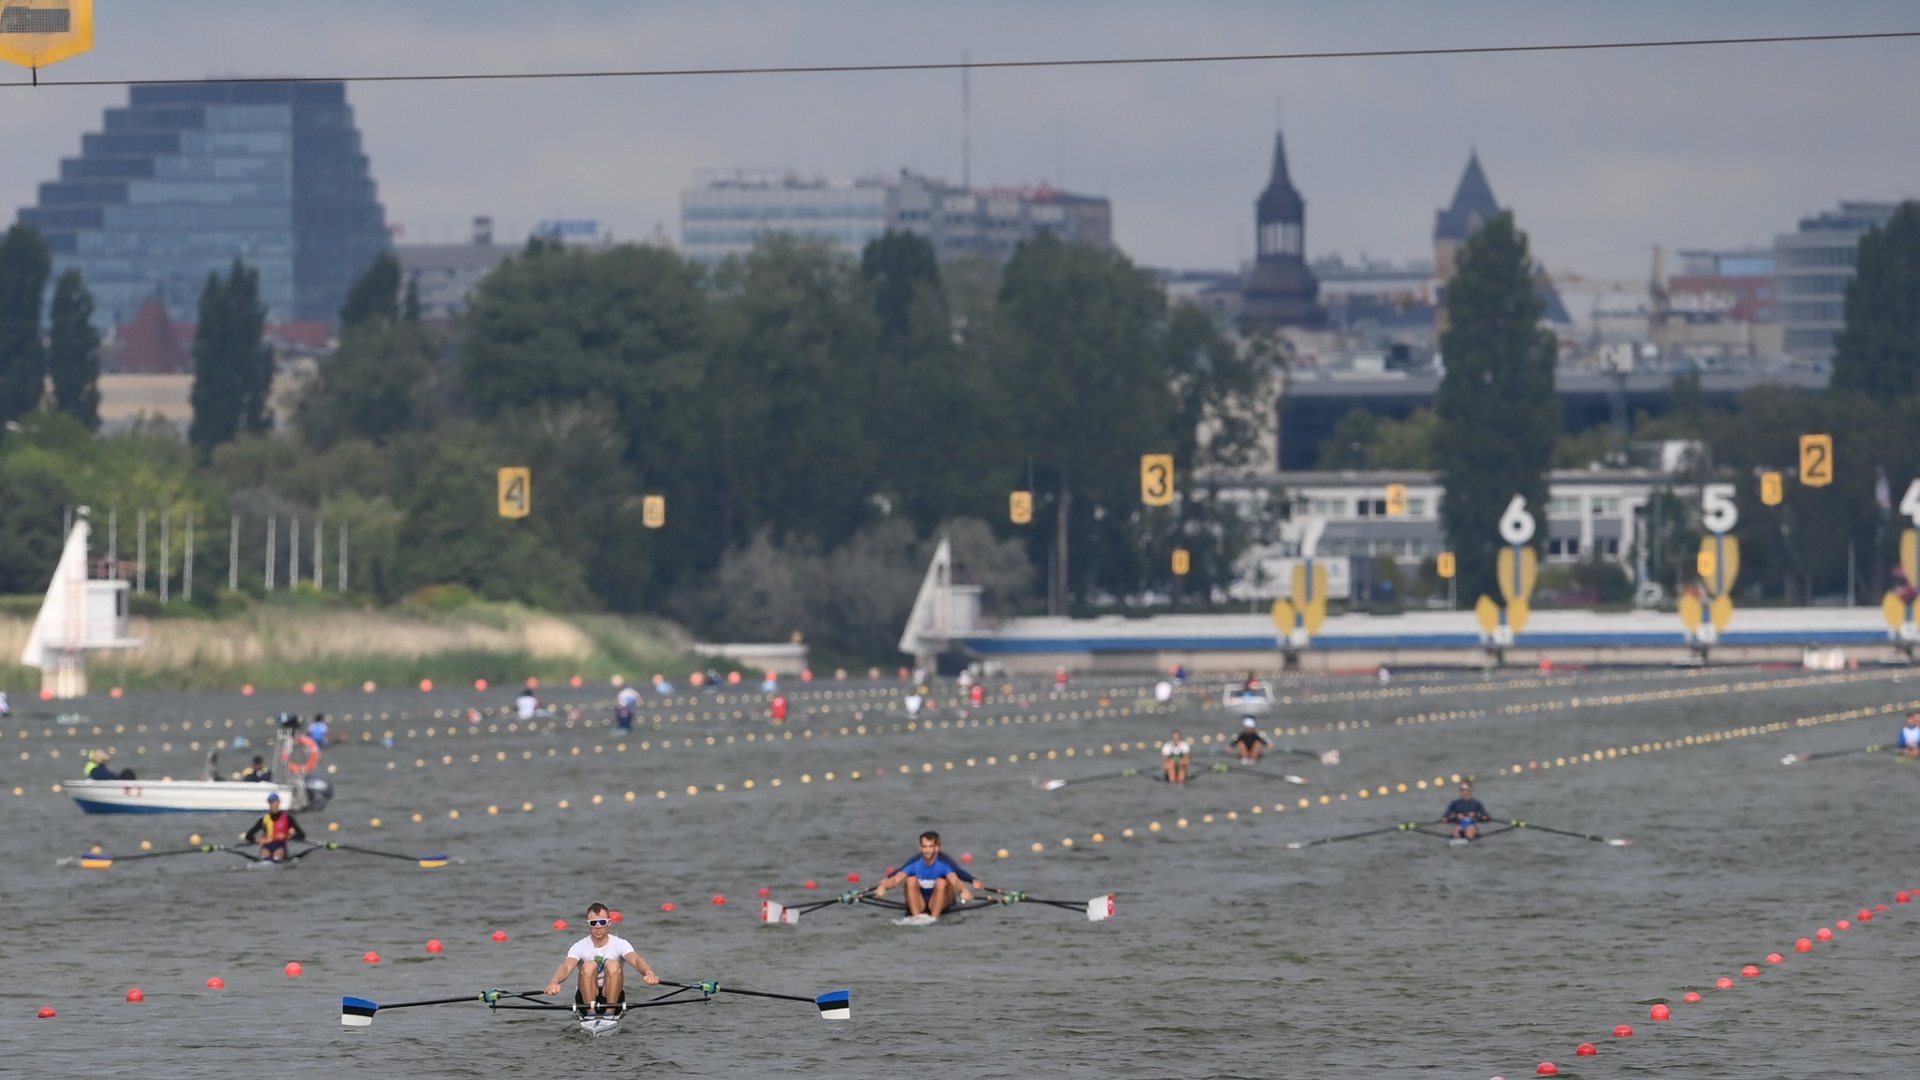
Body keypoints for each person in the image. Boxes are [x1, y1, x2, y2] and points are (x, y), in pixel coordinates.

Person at [545, 903, 659, 1013]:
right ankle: (590, 1012)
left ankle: (610, 1011)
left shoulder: (620, 944)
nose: (598, 926)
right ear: (589, 924)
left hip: (613, 998)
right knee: (589, 965)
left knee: (612, 964)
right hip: (585, 999)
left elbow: (636, 960)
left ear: (609, 923)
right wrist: (554, 982)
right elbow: (566, 967)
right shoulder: (579, 946)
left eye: (602, 922)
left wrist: (649, 973)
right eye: (594, 923)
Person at [872, 831, 983, 921]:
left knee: (942, 882)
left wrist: (964, 890)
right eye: (924, 847)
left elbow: (955, 879)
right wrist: (883, 887)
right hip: (920, 902)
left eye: (930, 847)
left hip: (939, 901)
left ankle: (934, 919)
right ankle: (916, 918)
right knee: (910, 880)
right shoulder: (914, 863)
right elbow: (897, 878)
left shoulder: (944, 864)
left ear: (937, 848)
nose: (927, 850)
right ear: (920, 848)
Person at [243, 792, 305, 862]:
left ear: (279, 802)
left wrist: (287, 837)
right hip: (267, 846)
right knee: (263, 857)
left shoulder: (287, 818)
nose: (272, 805)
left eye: (274, 802)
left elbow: (301, 835)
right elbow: (249, 835)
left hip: (280, 846)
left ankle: (278, 861)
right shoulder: (264, 819)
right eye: (270, 802)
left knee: (277, 856)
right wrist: (257, 840)